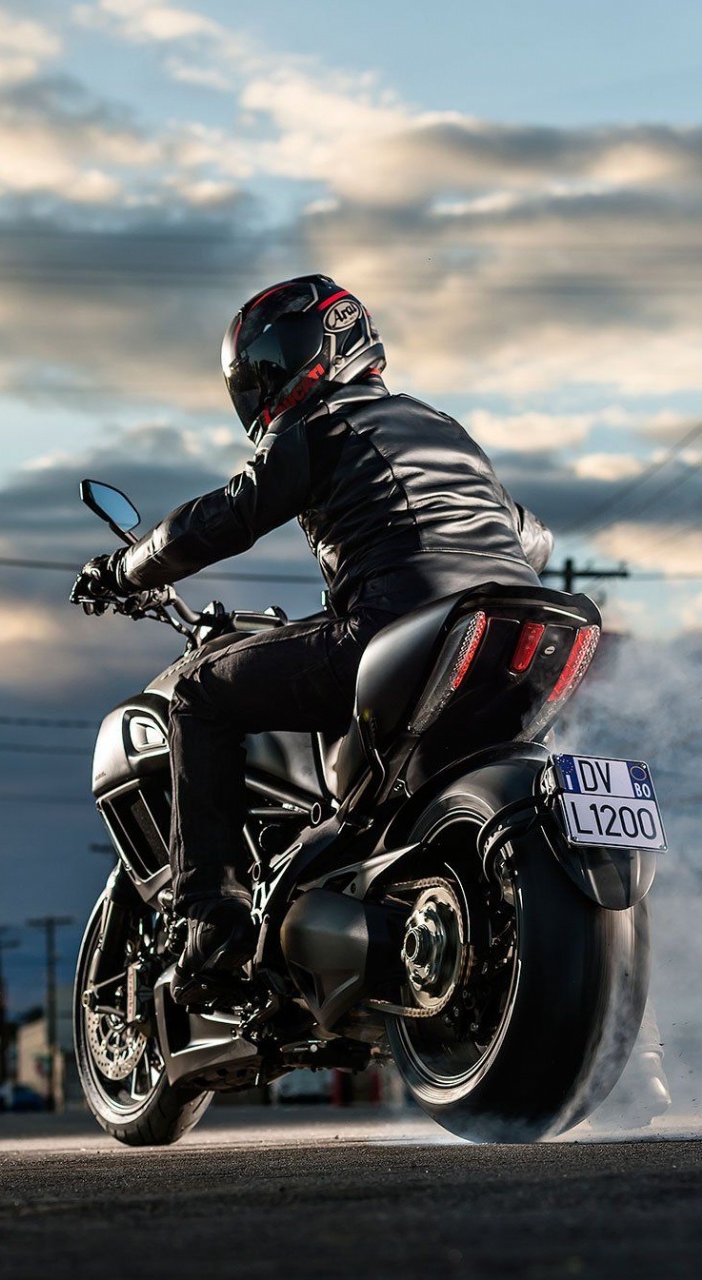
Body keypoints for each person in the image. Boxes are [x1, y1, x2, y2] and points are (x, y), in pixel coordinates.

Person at [72, 273, 553, 1005]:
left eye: (272, 364)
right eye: (254, 374)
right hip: (511, 623)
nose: (263, 388)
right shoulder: (446, 430)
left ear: (320, 349)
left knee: (200, 692)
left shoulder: (323, 427)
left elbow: (222, 517)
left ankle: (214, 923)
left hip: (396, 625)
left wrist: (124, 569)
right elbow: (531, 536)